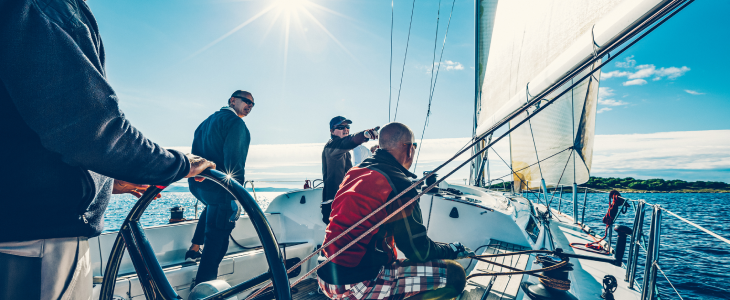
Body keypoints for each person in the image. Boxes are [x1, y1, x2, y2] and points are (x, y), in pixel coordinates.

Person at [0, 1, 215, 299]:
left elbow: (22, 133)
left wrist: (105, 184)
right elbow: (92, 131)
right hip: (39, 243)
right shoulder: (43, 7)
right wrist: (179, 165)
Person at [317, 122, 473, 300]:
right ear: (409, 150)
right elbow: (418, 251)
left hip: (325, 275)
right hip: (355, 284)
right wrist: (451, 249)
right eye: (414, 146)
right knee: (454, 275)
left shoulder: (355, 172)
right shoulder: (399, 185)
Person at [186, 90, 254, 286]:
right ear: (233, 101)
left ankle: (194, 247)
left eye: (252, 104)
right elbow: (235, 163)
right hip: (222, 188)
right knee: (217, 239)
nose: (249, 106)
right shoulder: (235, 123)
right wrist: (236, 195)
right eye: (246, 101)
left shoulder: (204, 123)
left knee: (211, 207)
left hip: (199, 186)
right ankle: (201, 287)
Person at [321, 116, 379, 224]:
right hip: (334, 203)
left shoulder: (344, 151)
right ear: (332, 131)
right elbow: (348, 141)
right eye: (341, 127)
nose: (346, 129)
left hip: (342, 201)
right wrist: (364, 135)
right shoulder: (332, 146)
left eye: (347, 127)